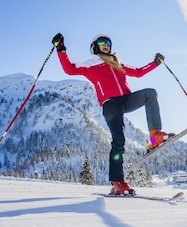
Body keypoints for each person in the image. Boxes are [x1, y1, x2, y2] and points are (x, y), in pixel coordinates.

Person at [52, 33, 173, 195]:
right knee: (119, 142)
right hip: (110, 104)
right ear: (95, 47)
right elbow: (69, 69)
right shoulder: (90, 65)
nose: (106, 45)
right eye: (102, 42)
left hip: (126, 99)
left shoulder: (117, 63)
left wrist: (155, 63)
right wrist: (61, 49)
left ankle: (155, 137)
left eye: (108, 42)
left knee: (149, 93)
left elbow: (137, 73)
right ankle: (117, 182)